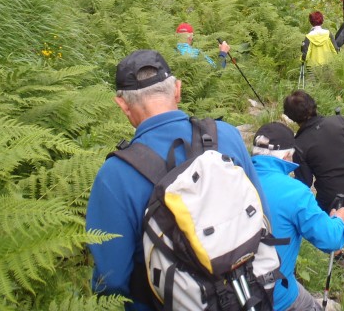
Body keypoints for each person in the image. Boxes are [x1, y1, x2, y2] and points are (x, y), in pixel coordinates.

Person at [86, 49, 266, 310]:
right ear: (178, 89)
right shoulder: (226, 136)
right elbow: (263, 217)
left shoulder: (115, 176)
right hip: (247, 296)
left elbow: (111, 281)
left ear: (122, 104)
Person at [252, 122, 344, 311]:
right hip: (274, 295)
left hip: (229, 289)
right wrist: (338, 221)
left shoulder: (232, 177)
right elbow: (330, 240)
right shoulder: (295, 192)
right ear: (287, 156)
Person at [283, 90, 344, 265]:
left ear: (291, 117)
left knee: (323, 216)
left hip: (334, 195)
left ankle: (340, 264)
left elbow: (304, 183)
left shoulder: (299, 145)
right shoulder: (339, 121)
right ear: (314, 105)